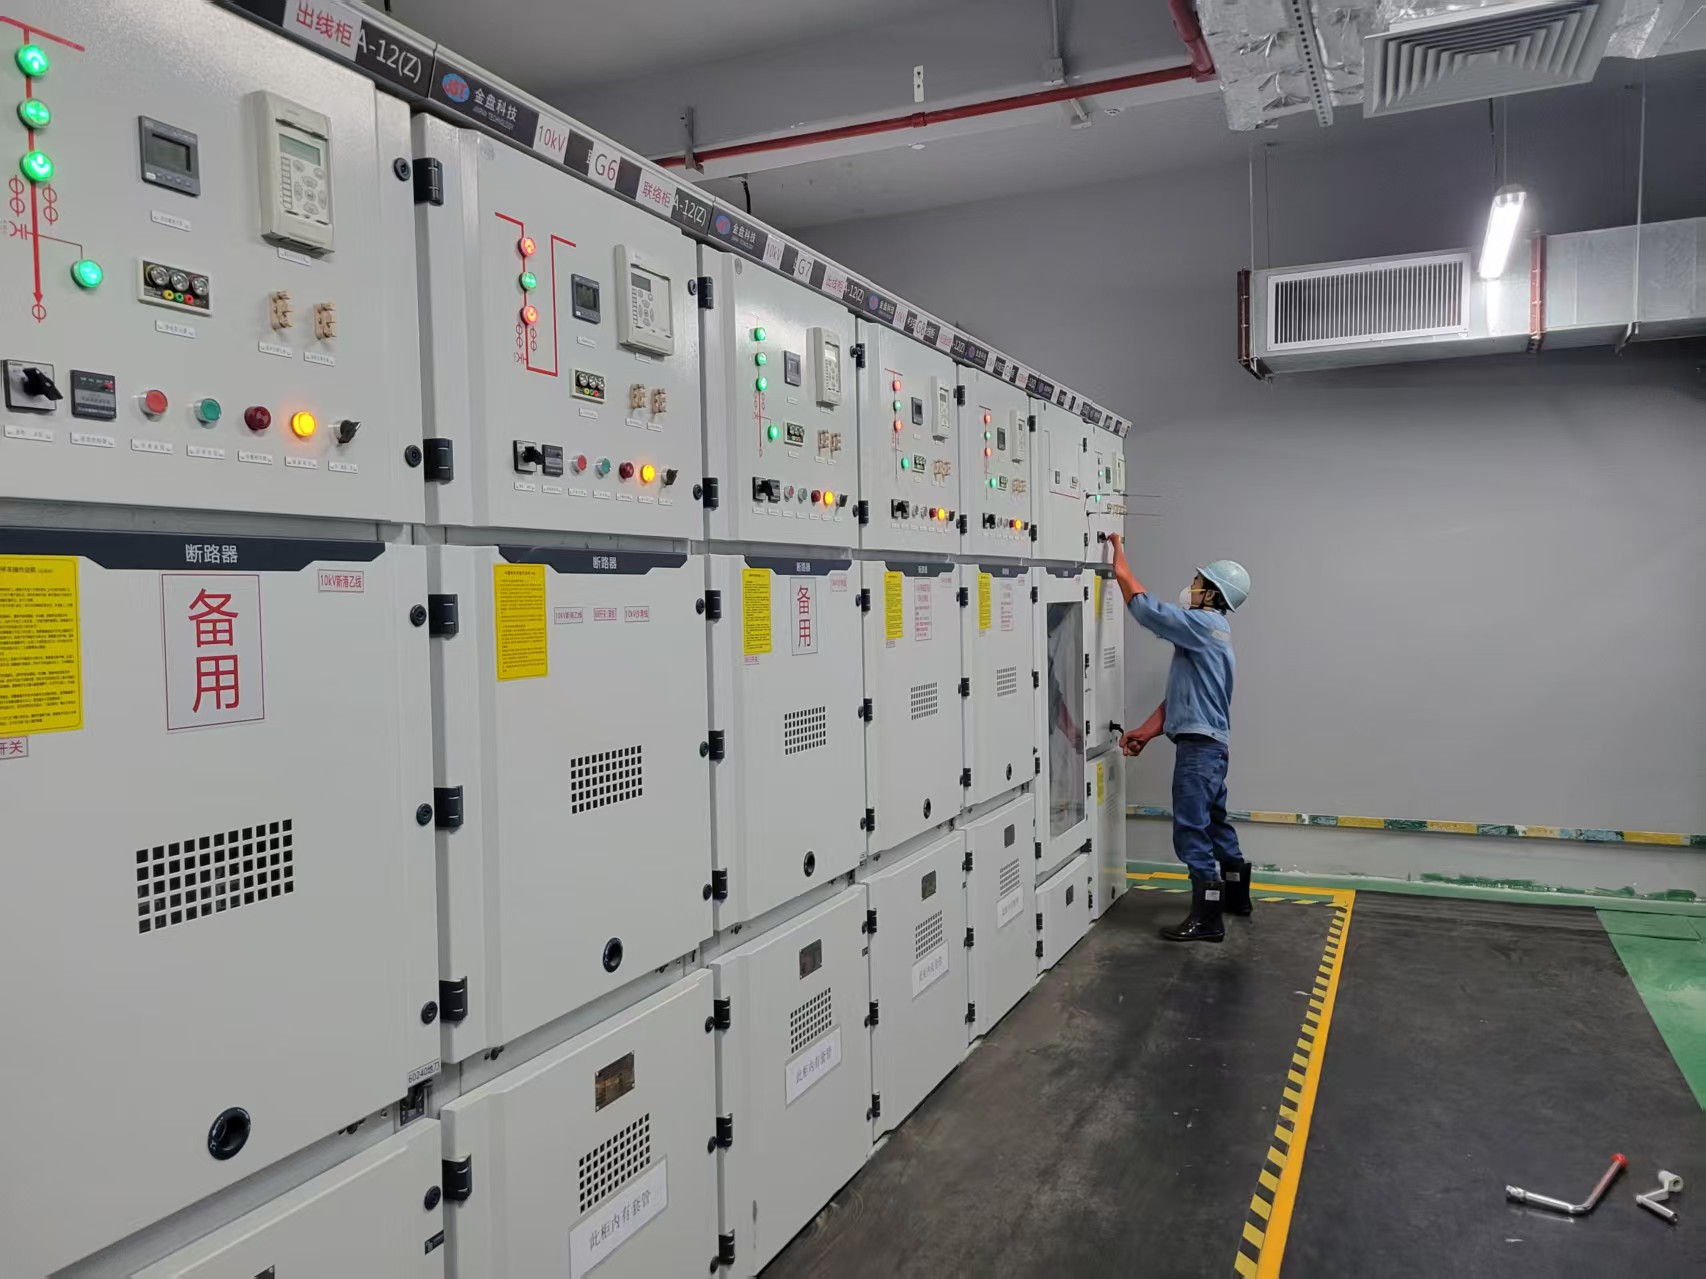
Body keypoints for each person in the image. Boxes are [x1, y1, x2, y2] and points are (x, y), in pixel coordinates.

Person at [1106, 533, 1251, 943]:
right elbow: (1182, 699)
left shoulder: (1203, 625)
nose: (1191, 586)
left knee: (1190, 828)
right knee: (1215, 823)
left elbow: (1146, 610)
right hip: (1211, 747)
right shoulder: (1213, 633)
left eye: (1198, 582)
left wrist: (1119, 559)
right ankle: (1236, 897)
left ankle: (1207, 919)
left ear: (1213, 594)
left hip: (1199, 751)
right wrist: (1147, 732)